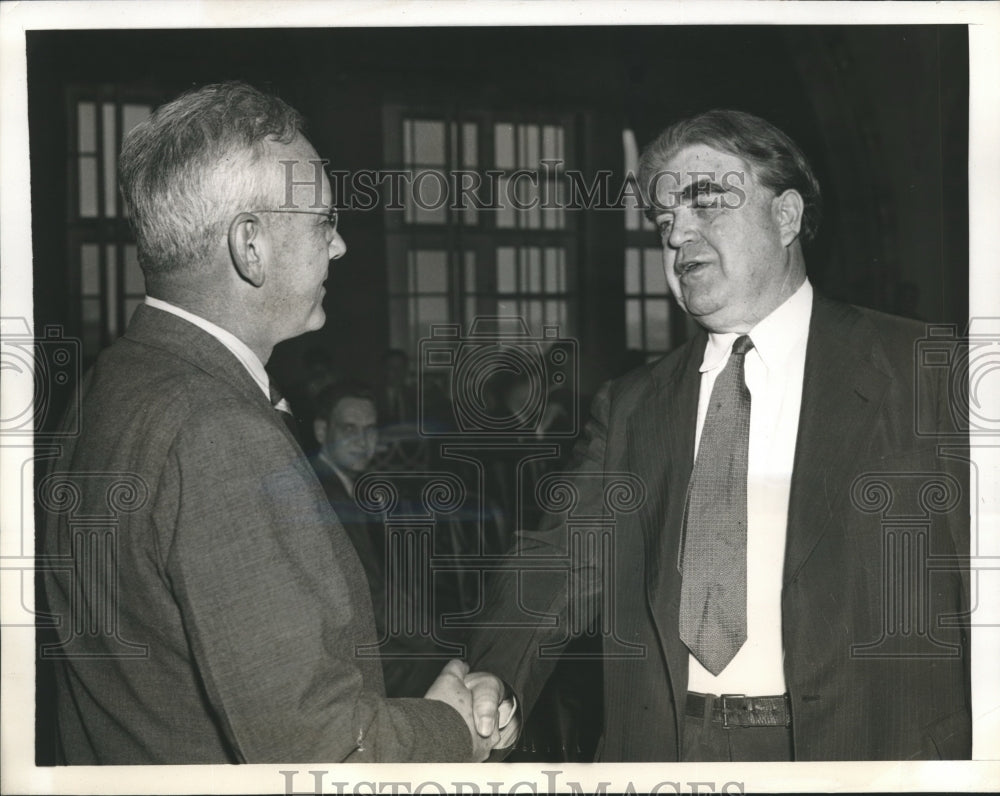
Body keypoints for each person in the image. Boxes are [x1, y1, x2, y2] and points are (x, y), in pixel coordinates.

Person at [467, 109, 970, 761]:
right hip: (666, 752)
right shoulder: (631, 405)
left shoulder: (927, 370)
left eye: (705, 202)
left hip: (867, 754)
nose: (678, 234)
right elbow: (558, 564)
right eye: (664, 219)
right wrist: (492, 681)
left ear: (786, 217)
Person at [39, 81, 506, 764]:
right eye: (323, 220)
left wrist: (417, 690)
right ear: (249, 246)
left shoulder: (107, 388)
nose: (340, 247)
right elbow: (320, 753)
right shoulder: (218, 433)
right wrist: (456, 730)